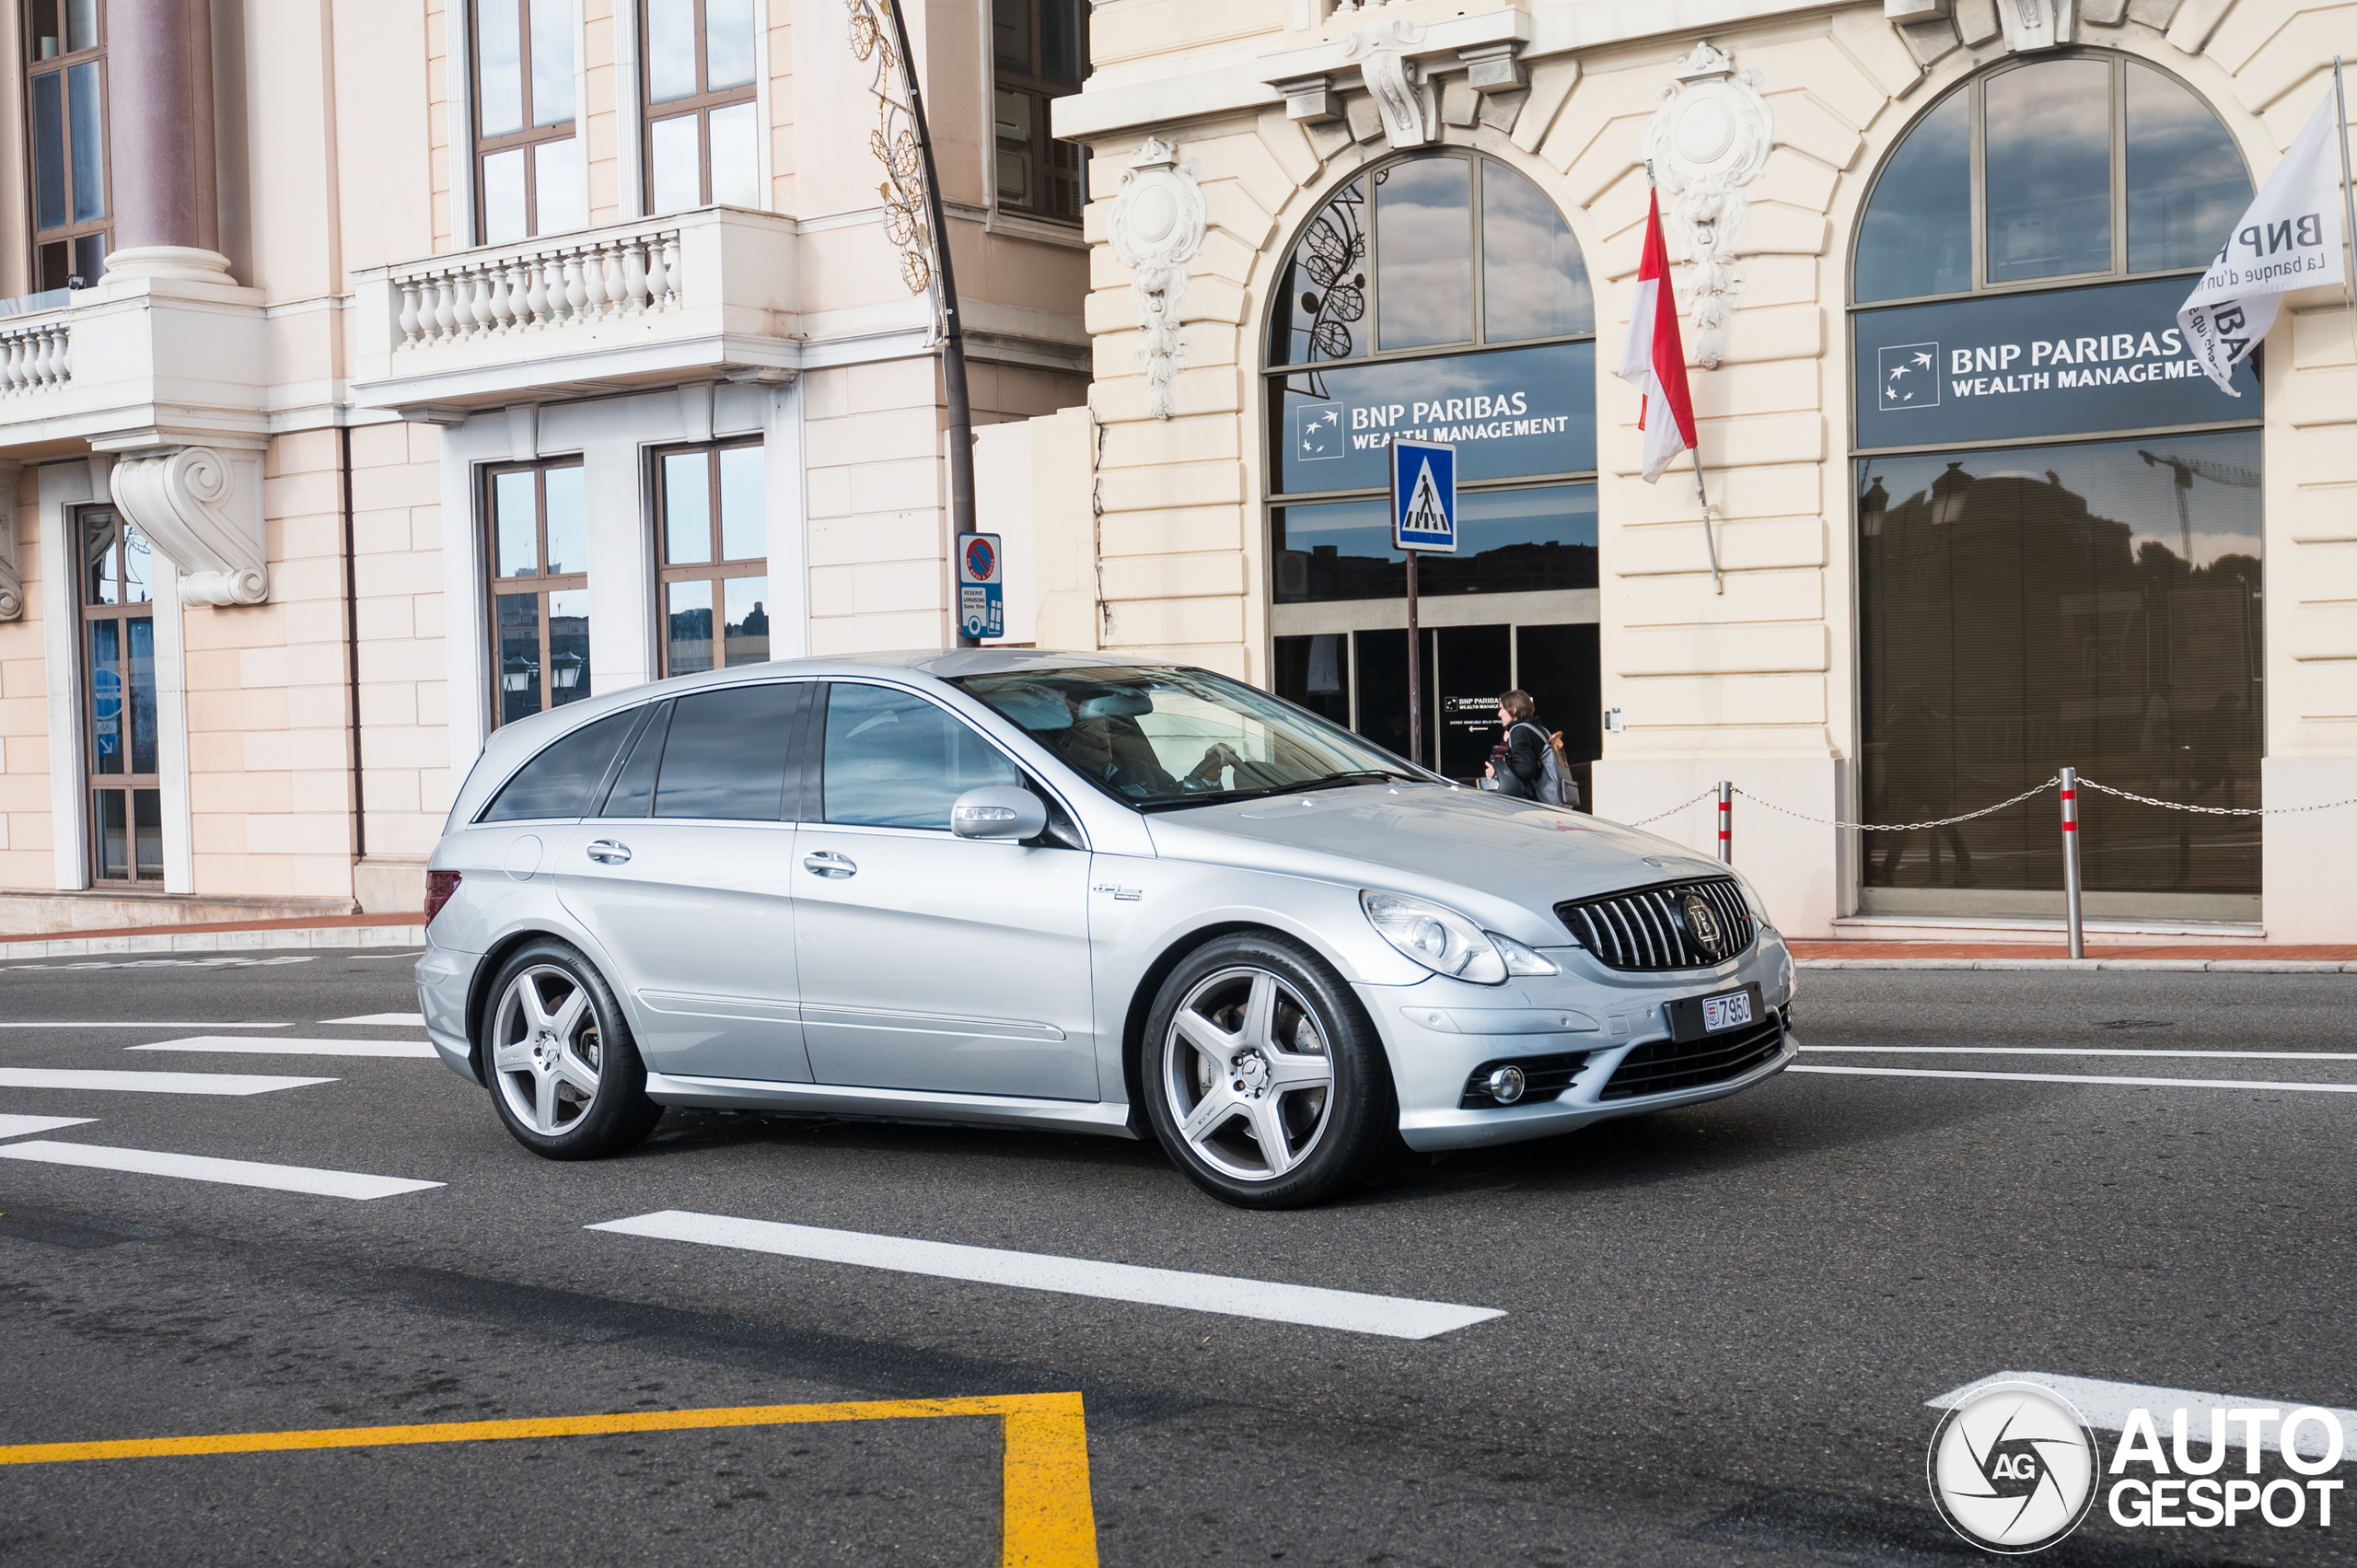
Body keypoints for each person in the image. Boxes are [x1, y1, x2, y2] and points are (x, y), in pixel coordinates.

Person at [1482, 690, 1549, 799]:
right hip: (1542, 794)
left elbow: (1525, 769)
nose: (1499, 714)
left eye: (1502, 708)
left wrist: (1495, 773)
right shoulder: (1539, 729)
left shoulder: (1519, 731)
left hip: (1529, 800)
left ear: (1513, 711)